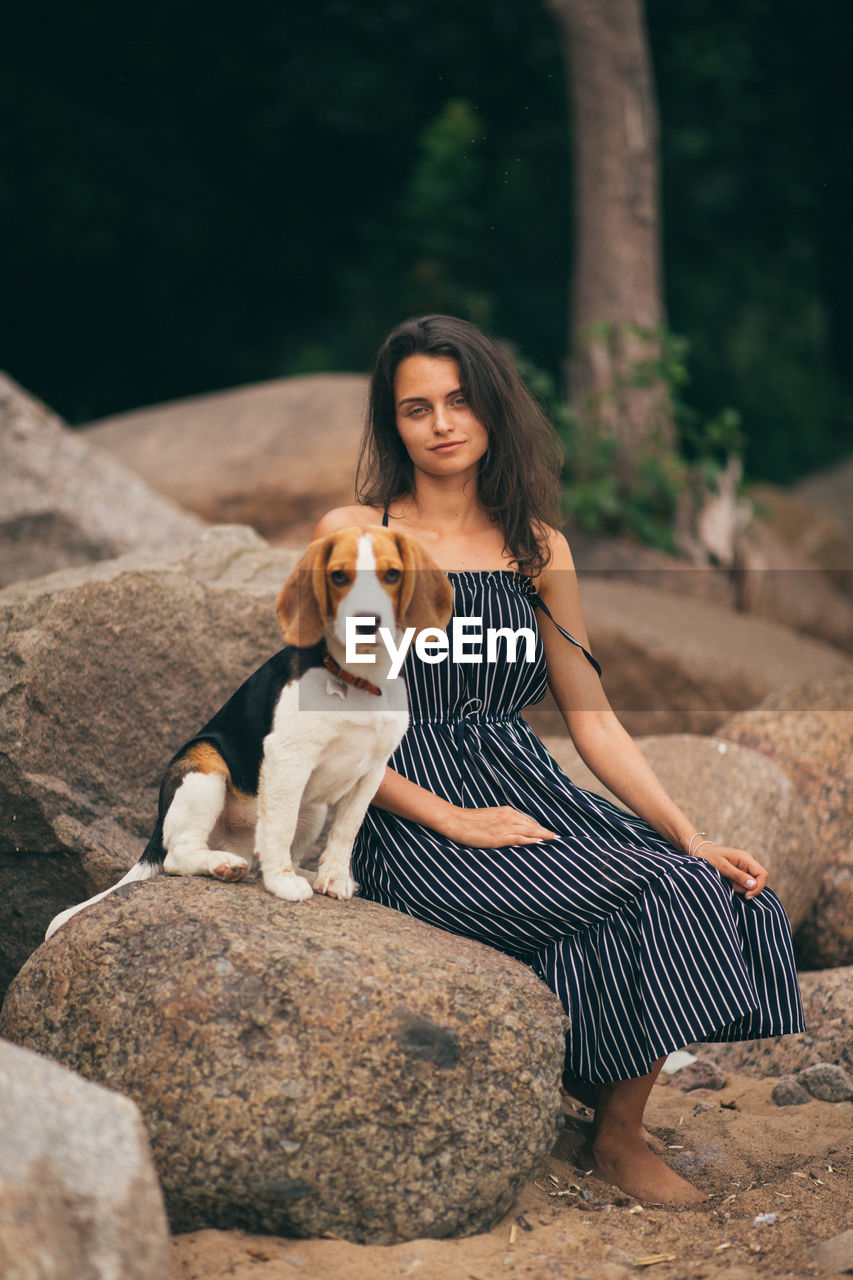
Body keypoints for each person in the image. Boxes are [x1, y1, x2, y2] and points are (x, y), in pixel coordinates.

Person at [312, 314, 804, 1205]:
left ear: (493, 409)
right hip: (405, 807)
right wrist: (453, 817)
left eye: (459, 400)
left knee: (715, 885)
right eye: (416, 408)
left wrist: (690, 833)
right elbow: (333, 726)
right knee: (663, 893)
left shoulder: (540, 548)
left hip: (521, 782)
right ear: (394, 426)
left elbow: (595, 722)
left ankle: (609, 1119)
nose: (442, 422)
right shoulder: (356, 530)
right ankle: (617, 1139)